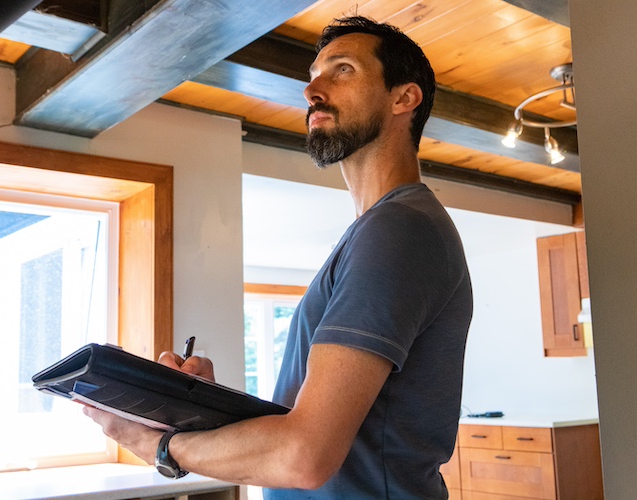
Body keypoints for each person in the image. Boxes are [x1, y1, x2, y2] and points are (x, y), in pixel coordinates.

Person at [84, 16, 473, 499]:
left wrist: (163, 446)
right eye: (313, 75)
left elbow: (303, 456)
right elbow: (306, 428)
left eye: (343, 70)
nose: (313, 89)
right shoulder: (378, 231)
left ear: (403, 98)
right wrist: (205, 408)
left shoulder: (399, 230)